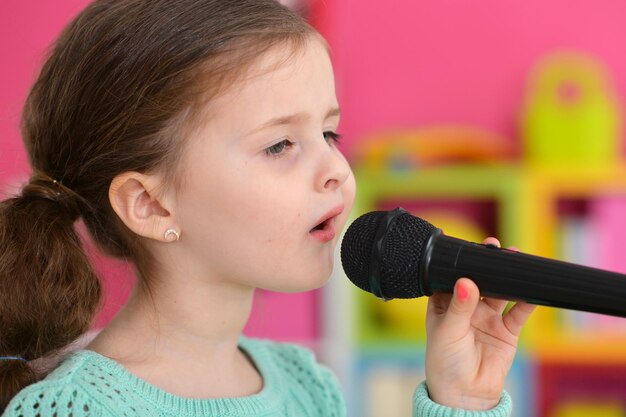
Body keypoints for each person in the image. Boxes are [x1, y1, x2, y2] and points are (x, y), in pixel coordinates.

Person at [0, 1, 535, 416]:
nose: (338, 171)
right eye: (279, 145)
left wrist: (461, 401)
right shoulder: (78, 408)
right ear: (151, 205)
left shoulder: (306, 386)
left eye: (330, 132)